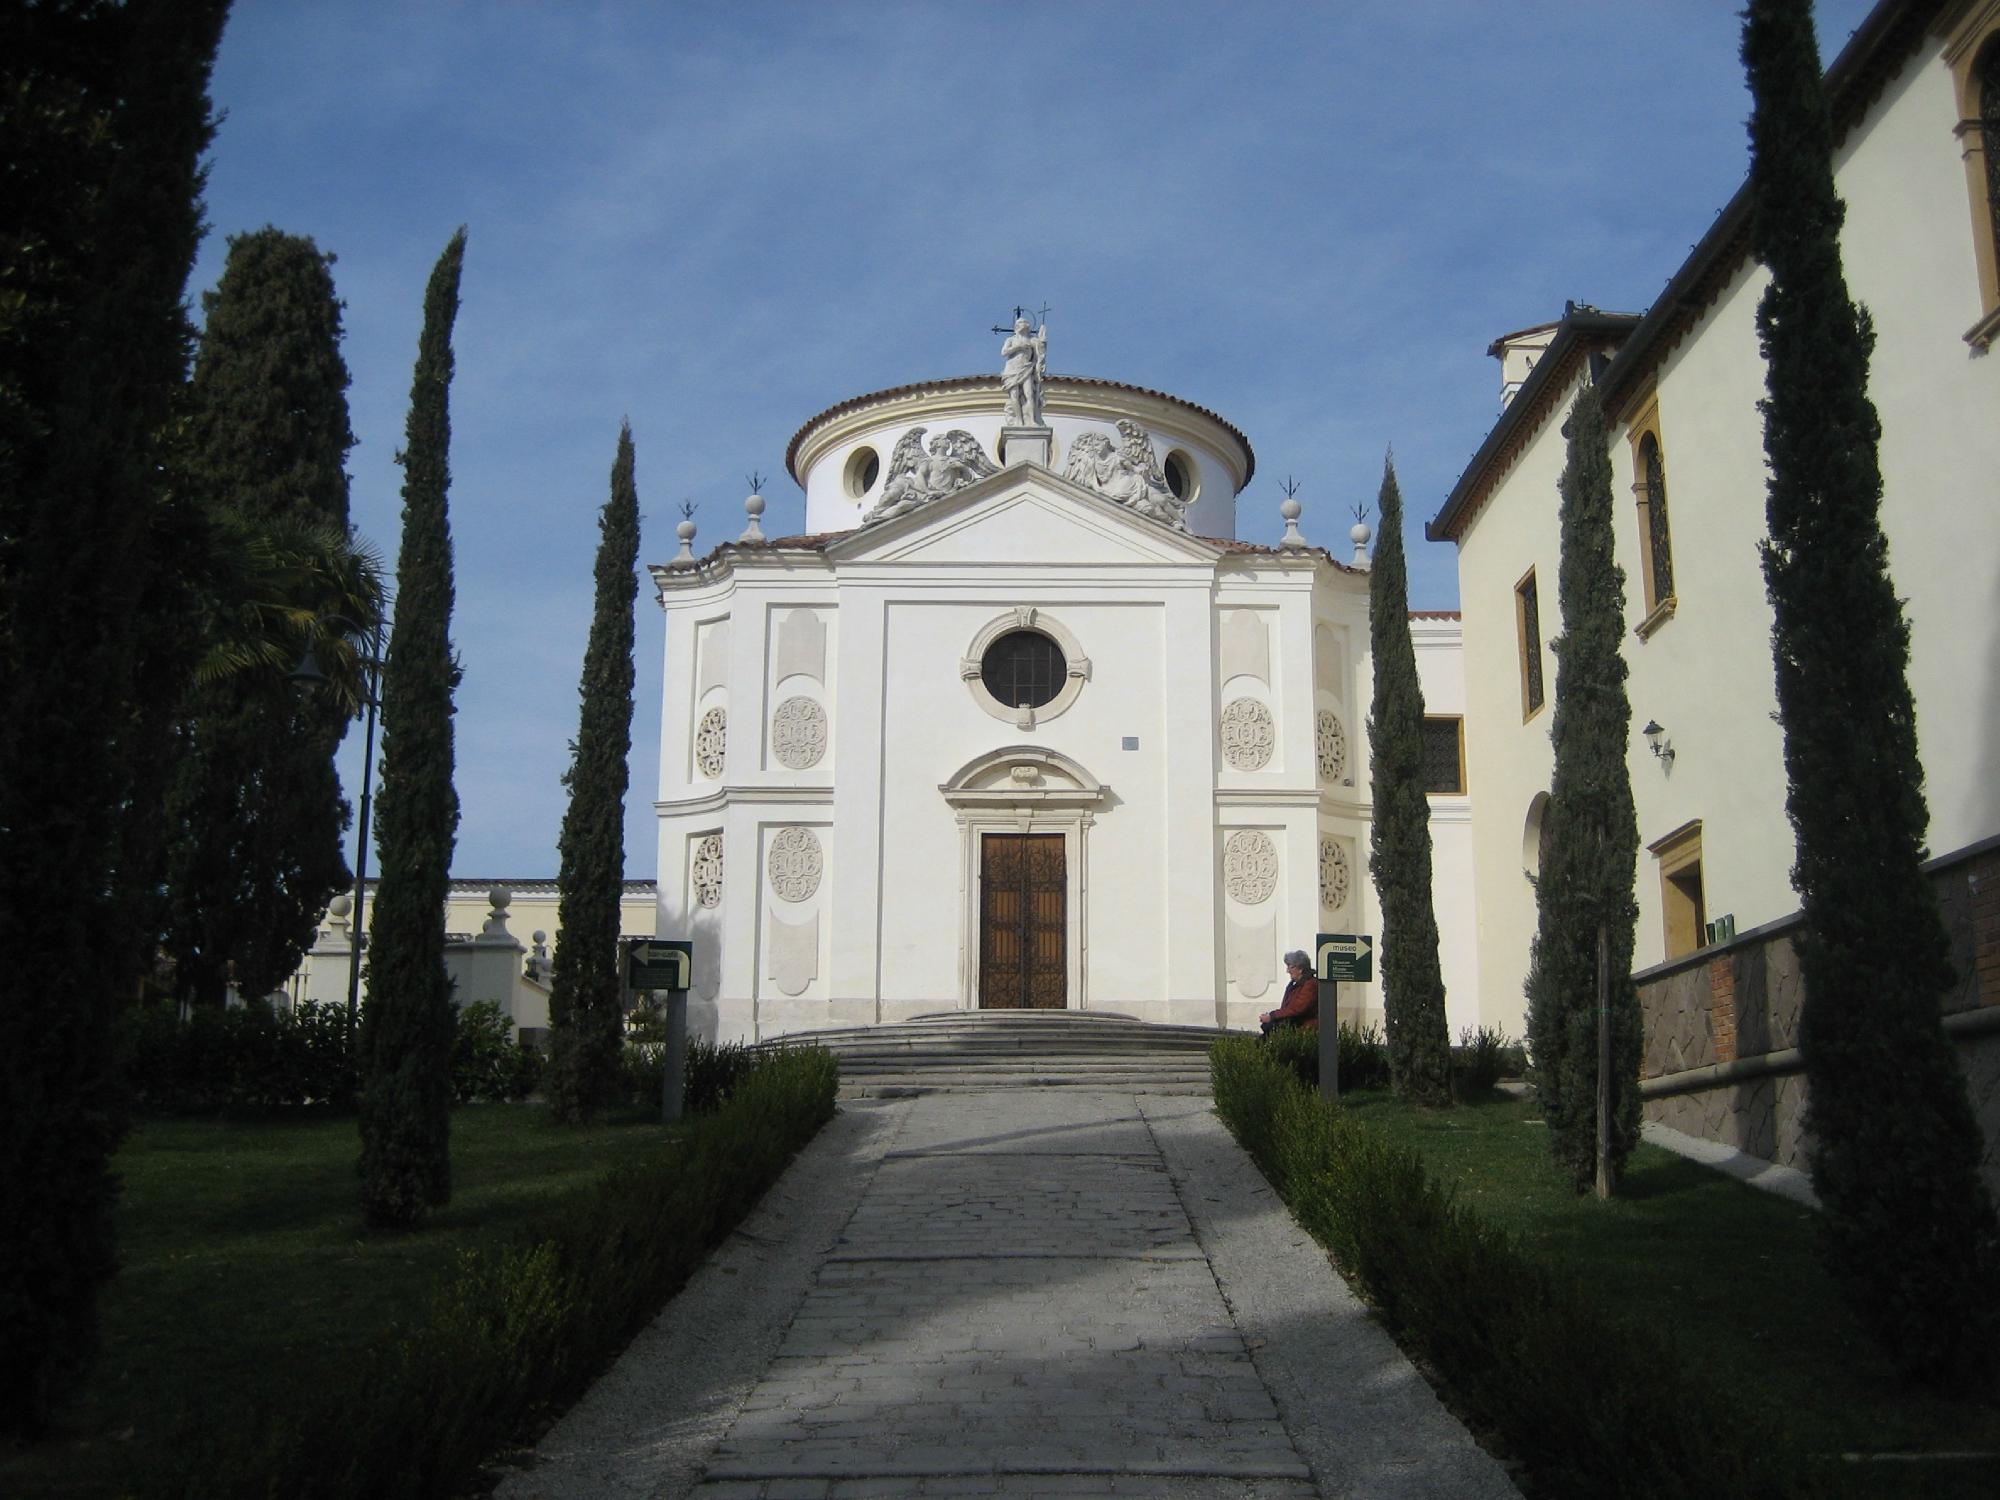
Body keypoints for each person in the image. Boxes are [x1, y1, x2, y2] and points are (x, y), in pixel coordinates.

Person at [1000, 315, 1046, 427]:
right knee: (1014, 395)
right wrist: (1018, 347)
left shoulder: (1032, 340)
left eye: (1024, 322)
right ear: (1016, 327)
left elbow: (1040, 354)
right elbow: (1004, 352)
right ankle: (1019, 421)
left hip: (1027, 368)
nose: (1023, 324)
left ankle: (1031, 420)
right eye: (1020, 323)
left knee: (1029, 394)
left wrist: (1042, 341)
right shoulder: (1011, 340)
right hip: (1012, 369)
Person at [1259, 950, 1319, 1035]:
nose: (1287, 971)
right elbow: (1287, 1008)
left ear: (1300, 969)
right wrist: (1271, 1015)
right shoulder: (1294, 984)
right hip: (1292, 1026)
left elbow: (1297, 1009)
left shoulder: (1310, 984)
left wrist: (1272, 1016)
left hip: (1302, 1029)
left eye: (1290, 967)